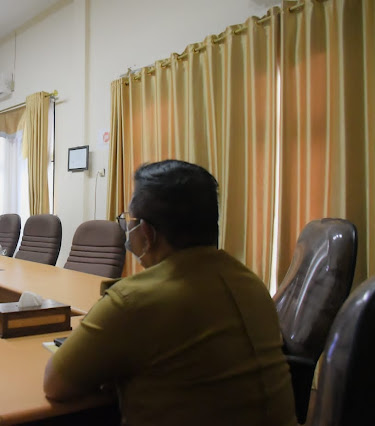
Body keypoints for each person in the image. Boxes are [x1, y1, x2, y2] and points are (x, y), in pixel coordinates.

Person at [43, 160, 296, 426]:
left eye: (131, 222)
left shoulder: (134, 301)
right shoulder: (253, 285)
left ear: (147, 233)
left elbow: (55, 384)